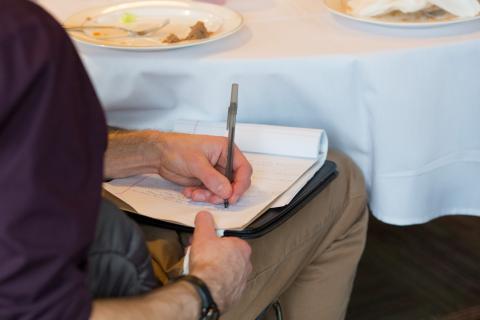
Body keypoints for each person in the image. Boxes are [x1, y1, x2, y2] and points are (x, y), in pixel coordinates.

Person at [0, 1, 368, 319]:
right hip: (117, 292)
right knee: (341, 182)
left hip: (88, 246)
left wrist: (151, 152)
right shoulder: (20, 40)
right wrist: (205, 292)